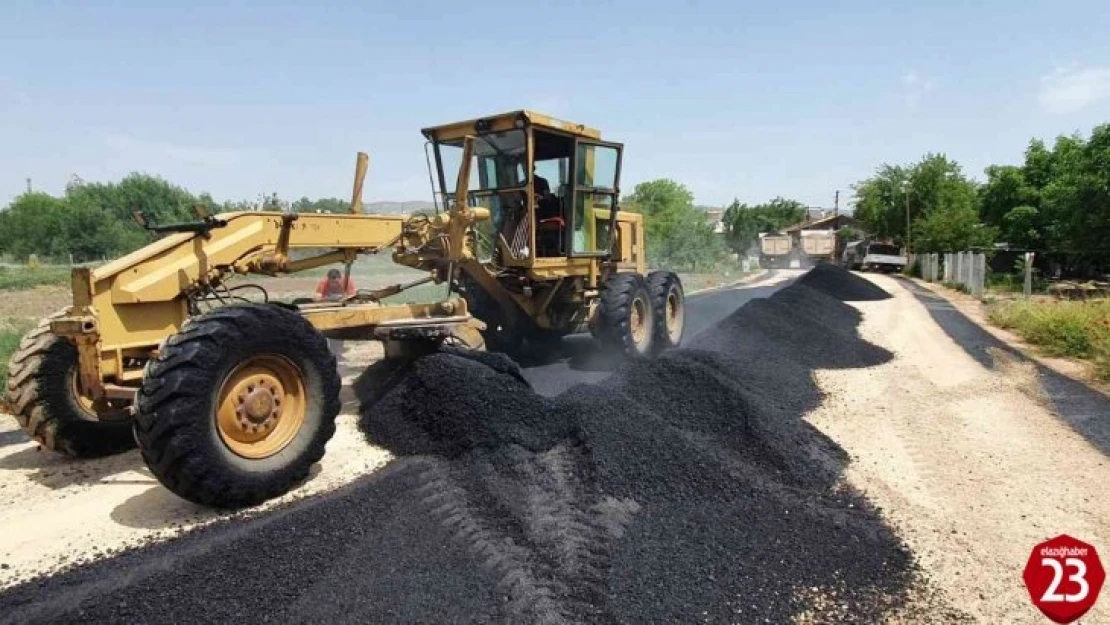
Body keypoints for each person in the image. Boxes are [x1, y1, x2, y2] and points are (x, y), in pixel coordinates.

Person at [315, 268, 355, 369]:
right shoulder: (324, 282)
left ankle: (338, 353)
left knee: (341, 330)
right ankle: (332, 354)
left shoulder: (347, 282)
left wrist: (342, 299)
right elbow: (316, 297)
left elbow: (352, 296)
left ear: (339, 279)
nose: (333, 285)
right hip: (327, 307)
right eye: (331, 282)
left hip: (342, 307)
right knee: (328, 330)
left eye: (335, 282)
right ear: (328, 279)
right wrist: (328, 299)